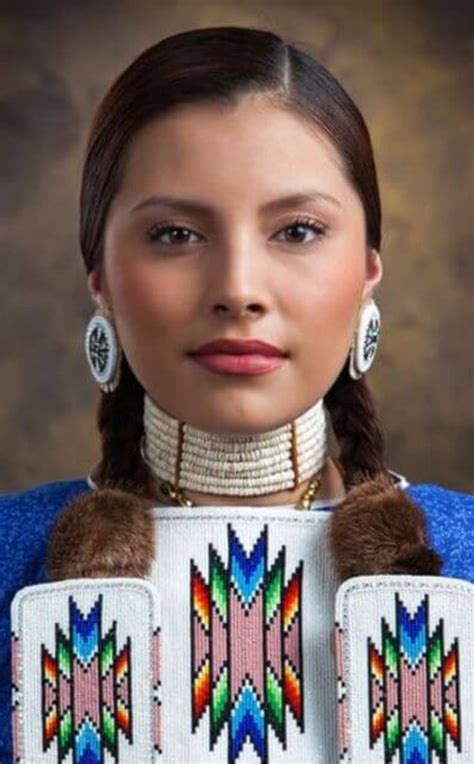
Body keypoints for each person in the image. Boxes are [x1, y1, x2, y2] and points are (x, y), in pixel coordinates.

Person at [1, 26, 472, 764]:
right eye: (176, 234)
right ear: (102, 283)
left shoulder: (463, 558)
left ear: (369, 271)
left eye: (298, 229)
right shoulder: (12, 558)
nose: (239, 290)